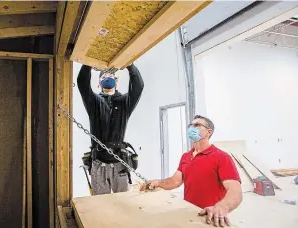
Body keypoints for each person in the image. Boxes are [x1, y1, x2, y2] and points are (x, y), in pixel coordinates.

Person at [140, 115, 242, 227]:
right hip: (189, 214)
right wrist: (157, 182)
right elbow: (175, 181)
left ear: (208, 132)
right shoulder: (186, 156)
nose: (192, 128)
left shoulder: (221, 157)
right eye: (191, 125)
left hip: (210, 218)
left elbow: (235, 191)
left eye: (197, 125)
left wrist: (221, 207)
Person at [77, 64, 144, 195]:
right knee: (101, 205)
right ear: (99, 83)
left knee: (123, 203)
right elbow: (82, 83)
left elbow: (138, 87)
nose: (108, 77)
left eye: (111, 75)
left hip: (119, 162)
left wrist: (130, 66)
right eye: (104, 76)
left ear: (117, 82)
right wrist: (87, 64)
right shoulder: (94, 102)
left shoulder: (125, 102)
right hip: (98, 162)